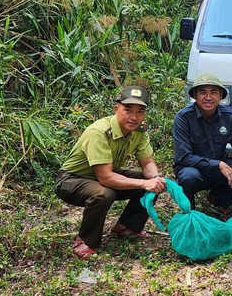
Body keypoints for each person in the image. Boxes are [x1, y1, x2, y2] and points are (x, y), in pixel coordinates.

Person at [55, 86, 167, 260]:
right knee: (104, 193)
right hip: (72, 180)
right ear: (116, 109)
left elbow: (147, 162)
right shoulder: (99, 132)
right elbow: (105, 178)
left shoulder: (138, 130)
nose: (134, 117)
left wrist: (155, 179)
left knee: (151, 183)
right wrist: (145, 183)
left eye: (140, 111)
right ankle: (84, 242)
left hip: (103, 174)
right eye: (127, 110)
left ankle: (127, 227)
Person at [173, 73, 232, 217]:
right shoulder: (183, 118)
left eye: (213, 92)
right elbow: (183, 156)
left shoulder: (228, 116)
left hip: (219, 169)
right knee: (188, 178)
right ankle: (189, 213)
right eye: (202, 92)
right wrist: (219, 164)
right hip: (194, 168)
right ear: (195, 95)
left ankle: (218, 199)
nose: (208, 97)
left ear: (220, 96)